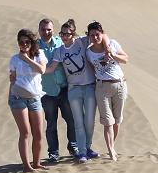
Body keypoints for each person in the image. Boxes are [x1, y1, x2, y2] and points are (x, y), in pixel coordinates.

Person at [44, 19, 100, 163]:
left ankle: (88, 147)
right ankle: (82, 152)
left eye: (67, 34)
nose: (63, 36)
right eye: (61, 34)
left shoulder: (82, 42)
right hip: (73, 89)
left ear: (73, 34)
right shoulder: (60, 51)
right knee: (78, 122)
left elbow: (99, 36)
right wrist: (34, 69)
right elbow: (50, 68)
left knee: (89, 121)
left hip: (89, 87)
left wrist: (109, 48)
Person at [86, 21, 129, 161]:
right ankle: (110, 151)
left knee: (117, 121)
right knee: (108, 121)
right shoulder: (89, 52)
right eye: (92, 35)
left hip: (120, 85)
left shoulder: (113, 44)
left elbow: (126, 59)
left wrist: (112, 55)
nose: (95, 37)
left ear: (101, 33)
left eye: (97, 34)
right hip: (102, 87)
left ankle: (113, 146)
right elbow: (93, 69)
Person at [38, 18, 78, 162]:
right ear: (39, 30)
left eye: (49, 29)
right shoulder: (35, 47)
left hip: (65, 89)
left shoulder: (61, 42)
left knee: (71, 120)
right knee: (51, 124)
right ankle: (53, 153)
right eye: (43, 29)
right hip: (47, 92)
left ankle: (73, 146)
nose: (46, 32)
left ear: (53, 30)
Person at [8, 29, 48, 172]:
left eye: (27, 42)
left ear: (32, 43)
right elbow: (12, 79)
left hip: (35, 98)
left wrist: (26, 59)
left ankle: (37, 162)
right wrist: (9, 96)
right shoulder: (14, 59)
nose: (24, 45)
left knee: (38, 133)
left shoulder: (39, 55)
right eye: (21, 42)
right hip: (18, 97)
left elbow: (42, 70)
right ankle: (27, 166)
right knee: (25, 132)